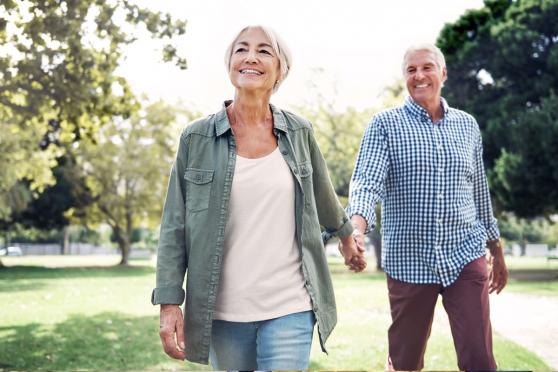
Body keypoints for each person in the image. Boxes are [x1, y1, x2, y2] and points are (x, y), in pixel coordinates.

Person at [151, 25, 366, 371]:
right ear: (230, 64)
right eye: (242, 49)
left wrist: (346, 238)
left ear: (280, 70)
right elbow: (174, 226)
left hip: (290, 304)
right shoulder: (196, 138)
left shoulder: (299, 132)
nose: (251, 56)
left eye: (264, 50)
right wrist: (169, 302)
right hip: (222, 312)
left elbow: (323, 196)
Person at [348, 43, 509, 371]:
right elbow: (366, 183)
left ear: (443, 73)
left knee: (480, 358)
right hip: (409, 259)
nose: (419, 75)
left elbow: (479, 192)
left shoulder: (467, 126)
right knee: (406, 361)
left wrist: (496, 249)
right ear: (404, 77)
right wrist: (356, 228)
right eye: (411, 70)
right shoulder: (385, 125)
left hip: (466, 253)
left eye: (427, 67)